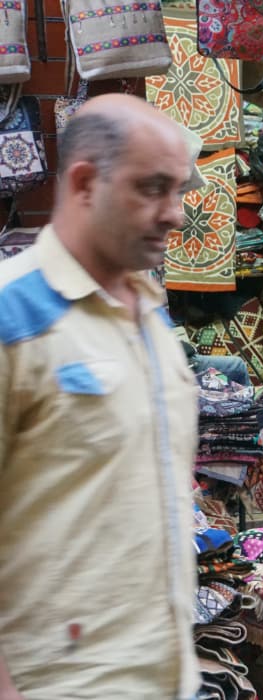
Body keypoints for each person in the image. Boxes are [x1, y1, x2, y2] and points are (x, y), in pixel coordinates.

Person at [0, 94, 201, 699]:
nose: (176, 214)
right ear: (85, 183)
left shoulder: (152, 318)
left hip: (165, 678)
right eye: (153, 189)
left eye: (180, 190)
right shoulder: (14, 315)